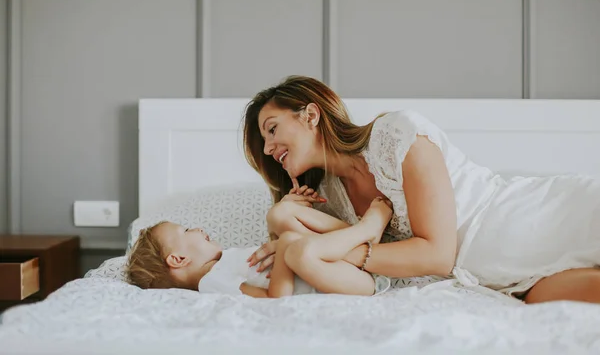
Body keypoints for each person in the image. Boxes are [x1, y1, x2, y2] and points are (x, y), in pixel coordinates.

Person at [243, 75, 600, 304]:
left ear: (310, 115)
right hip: (503, 282)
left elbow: (437, 255)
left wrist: (336, 251)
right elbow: (305, 258)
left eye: (272, 130)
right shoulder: (329, 200)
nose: (269, 148)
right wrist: (283, 216)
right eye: (264, 142)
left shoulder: (397, 134)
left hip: (533, 220)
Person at [125, 189, 392, 298]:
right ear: (178, 259)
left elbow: (270, 265)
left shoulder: (224, 260)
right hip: (344, 283)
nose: (197, 228)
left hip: (335, 268)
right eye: (186, 230)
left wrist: (285, 216)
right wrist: (286, 243)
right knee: (297, 249)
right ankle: (367, 229)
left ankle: (365, 239)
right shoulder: (212, 282)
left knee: (280, 216)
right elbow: (274, 298)